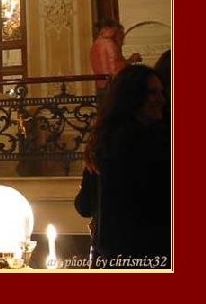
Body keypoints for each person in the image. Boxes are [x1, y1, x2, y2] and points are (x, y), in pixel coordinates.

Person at [78, 64, 171, 268]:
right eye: (153, 93)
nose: (162, 100)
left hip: (111, 257)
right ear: (133, 97)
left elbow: (84, 205)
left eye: (161, 92)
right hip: (150, 255)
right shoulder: (158, 142)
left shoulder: (102, 144)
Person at [89, 19, 142, 102]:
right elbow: (114, 68)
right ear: (106, 29)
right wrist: (131, 60)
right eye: (115, 29)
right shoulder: (108, 43)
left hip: (102, 85)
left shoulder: (96, 44)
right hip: (113, 85)